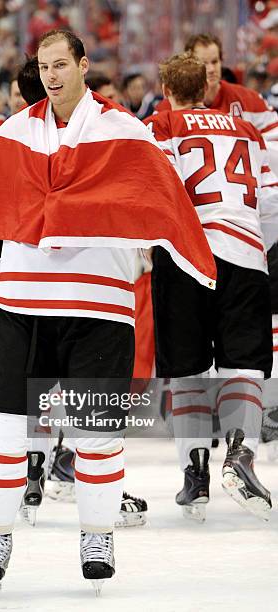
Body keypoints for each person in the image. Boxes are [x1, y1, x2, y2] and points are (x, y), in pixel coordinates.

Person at [0, 29, 216, 598]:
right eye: (43, 65)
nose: (51, 75)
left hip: (98, 306)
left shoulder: (122, 130)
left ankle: (97, 535)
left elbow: (163, 200)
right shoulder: (13, 133)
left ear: (82, 65)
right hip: (22, 304)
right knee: (2, 429)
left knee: (97, 434)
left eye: (61, 64)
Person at [145, 52, 278, 522]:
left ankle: (194, 474)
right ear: (205, 88)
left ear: (167, 91)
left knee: (188, 368)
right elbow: (270, 202)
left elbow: (162, 189)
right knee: (245, 363)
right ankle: (240, 453)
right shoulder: (249, 130)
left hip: (186, 255)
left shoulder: (160, 126)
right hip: (245, 252)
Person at [154, 34, 278, 169]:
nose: (211, 69)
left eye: (215, 62)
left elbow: (275, 146)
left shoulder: (250, 100)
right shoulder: (165, 108)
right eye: (204, 63)